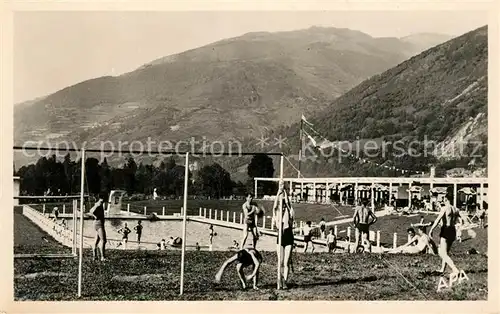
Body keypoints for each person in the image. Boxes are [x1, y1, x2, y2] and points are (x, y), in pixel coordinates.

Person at [429, 196, 462, 276]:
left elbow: (438, 219)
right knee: (446, 252)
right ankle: (442, 269)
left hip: (446, 229)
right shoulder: (456, 209)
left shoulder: (444, 208)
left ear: (446, 199)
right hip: (452, 229)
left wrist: (431, 229)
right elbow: (461, 220)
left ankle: (455, 269)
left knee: (442, 253)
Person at [273, 183, 294, 289]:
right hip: (280, 237)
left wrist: (285, 192)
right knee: (280, 261)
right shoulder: (277, 214)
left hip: (288, 236)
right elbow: (275, 206)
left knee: (286, 262)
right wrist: (278, 192)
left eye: (284, 205)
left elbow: (288, 204)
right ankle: (279, 280)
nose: (283, 206)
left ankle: (285, 281)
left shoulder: (290, 212)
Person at [89, 195, 107, 261]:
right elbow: (91, 210)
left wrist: (94, 216)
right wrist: (94, 215)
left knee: (96, 241)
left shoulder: (100, 204)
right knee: (103, 240)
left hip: (98, 223)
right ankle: (102, 257)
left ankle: (95, 256)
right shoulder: (99, 204)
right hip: (99, 224)